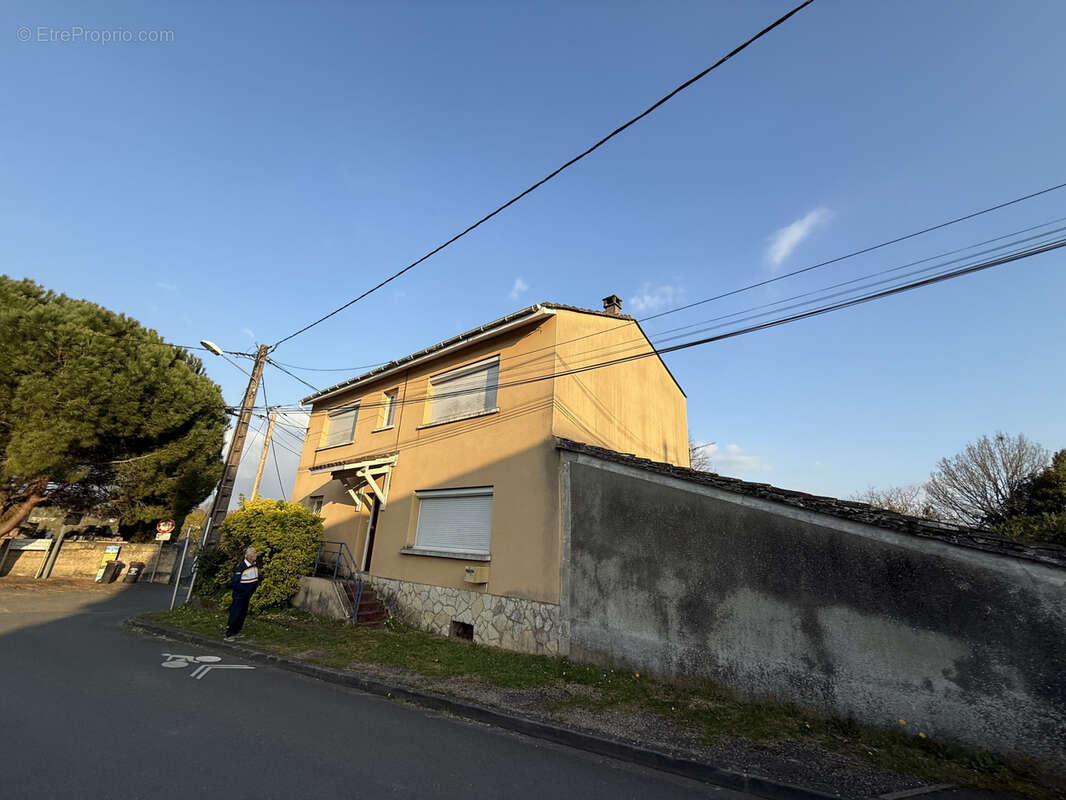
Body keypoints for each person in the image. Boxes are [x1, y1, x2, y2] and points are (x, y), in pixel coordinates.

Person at [225, 547, 260, 641]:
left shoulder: (254, 565)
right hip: (240, 596)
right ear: (249, 556)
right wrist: (243, 591)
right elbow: (234, 583)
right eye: (254, 553)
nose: (256, 555)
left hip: (247, 595)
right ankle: (229, 634)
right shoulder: (241, 567)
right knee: (236, 613)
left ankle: (236, 631)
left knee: (242, 614)